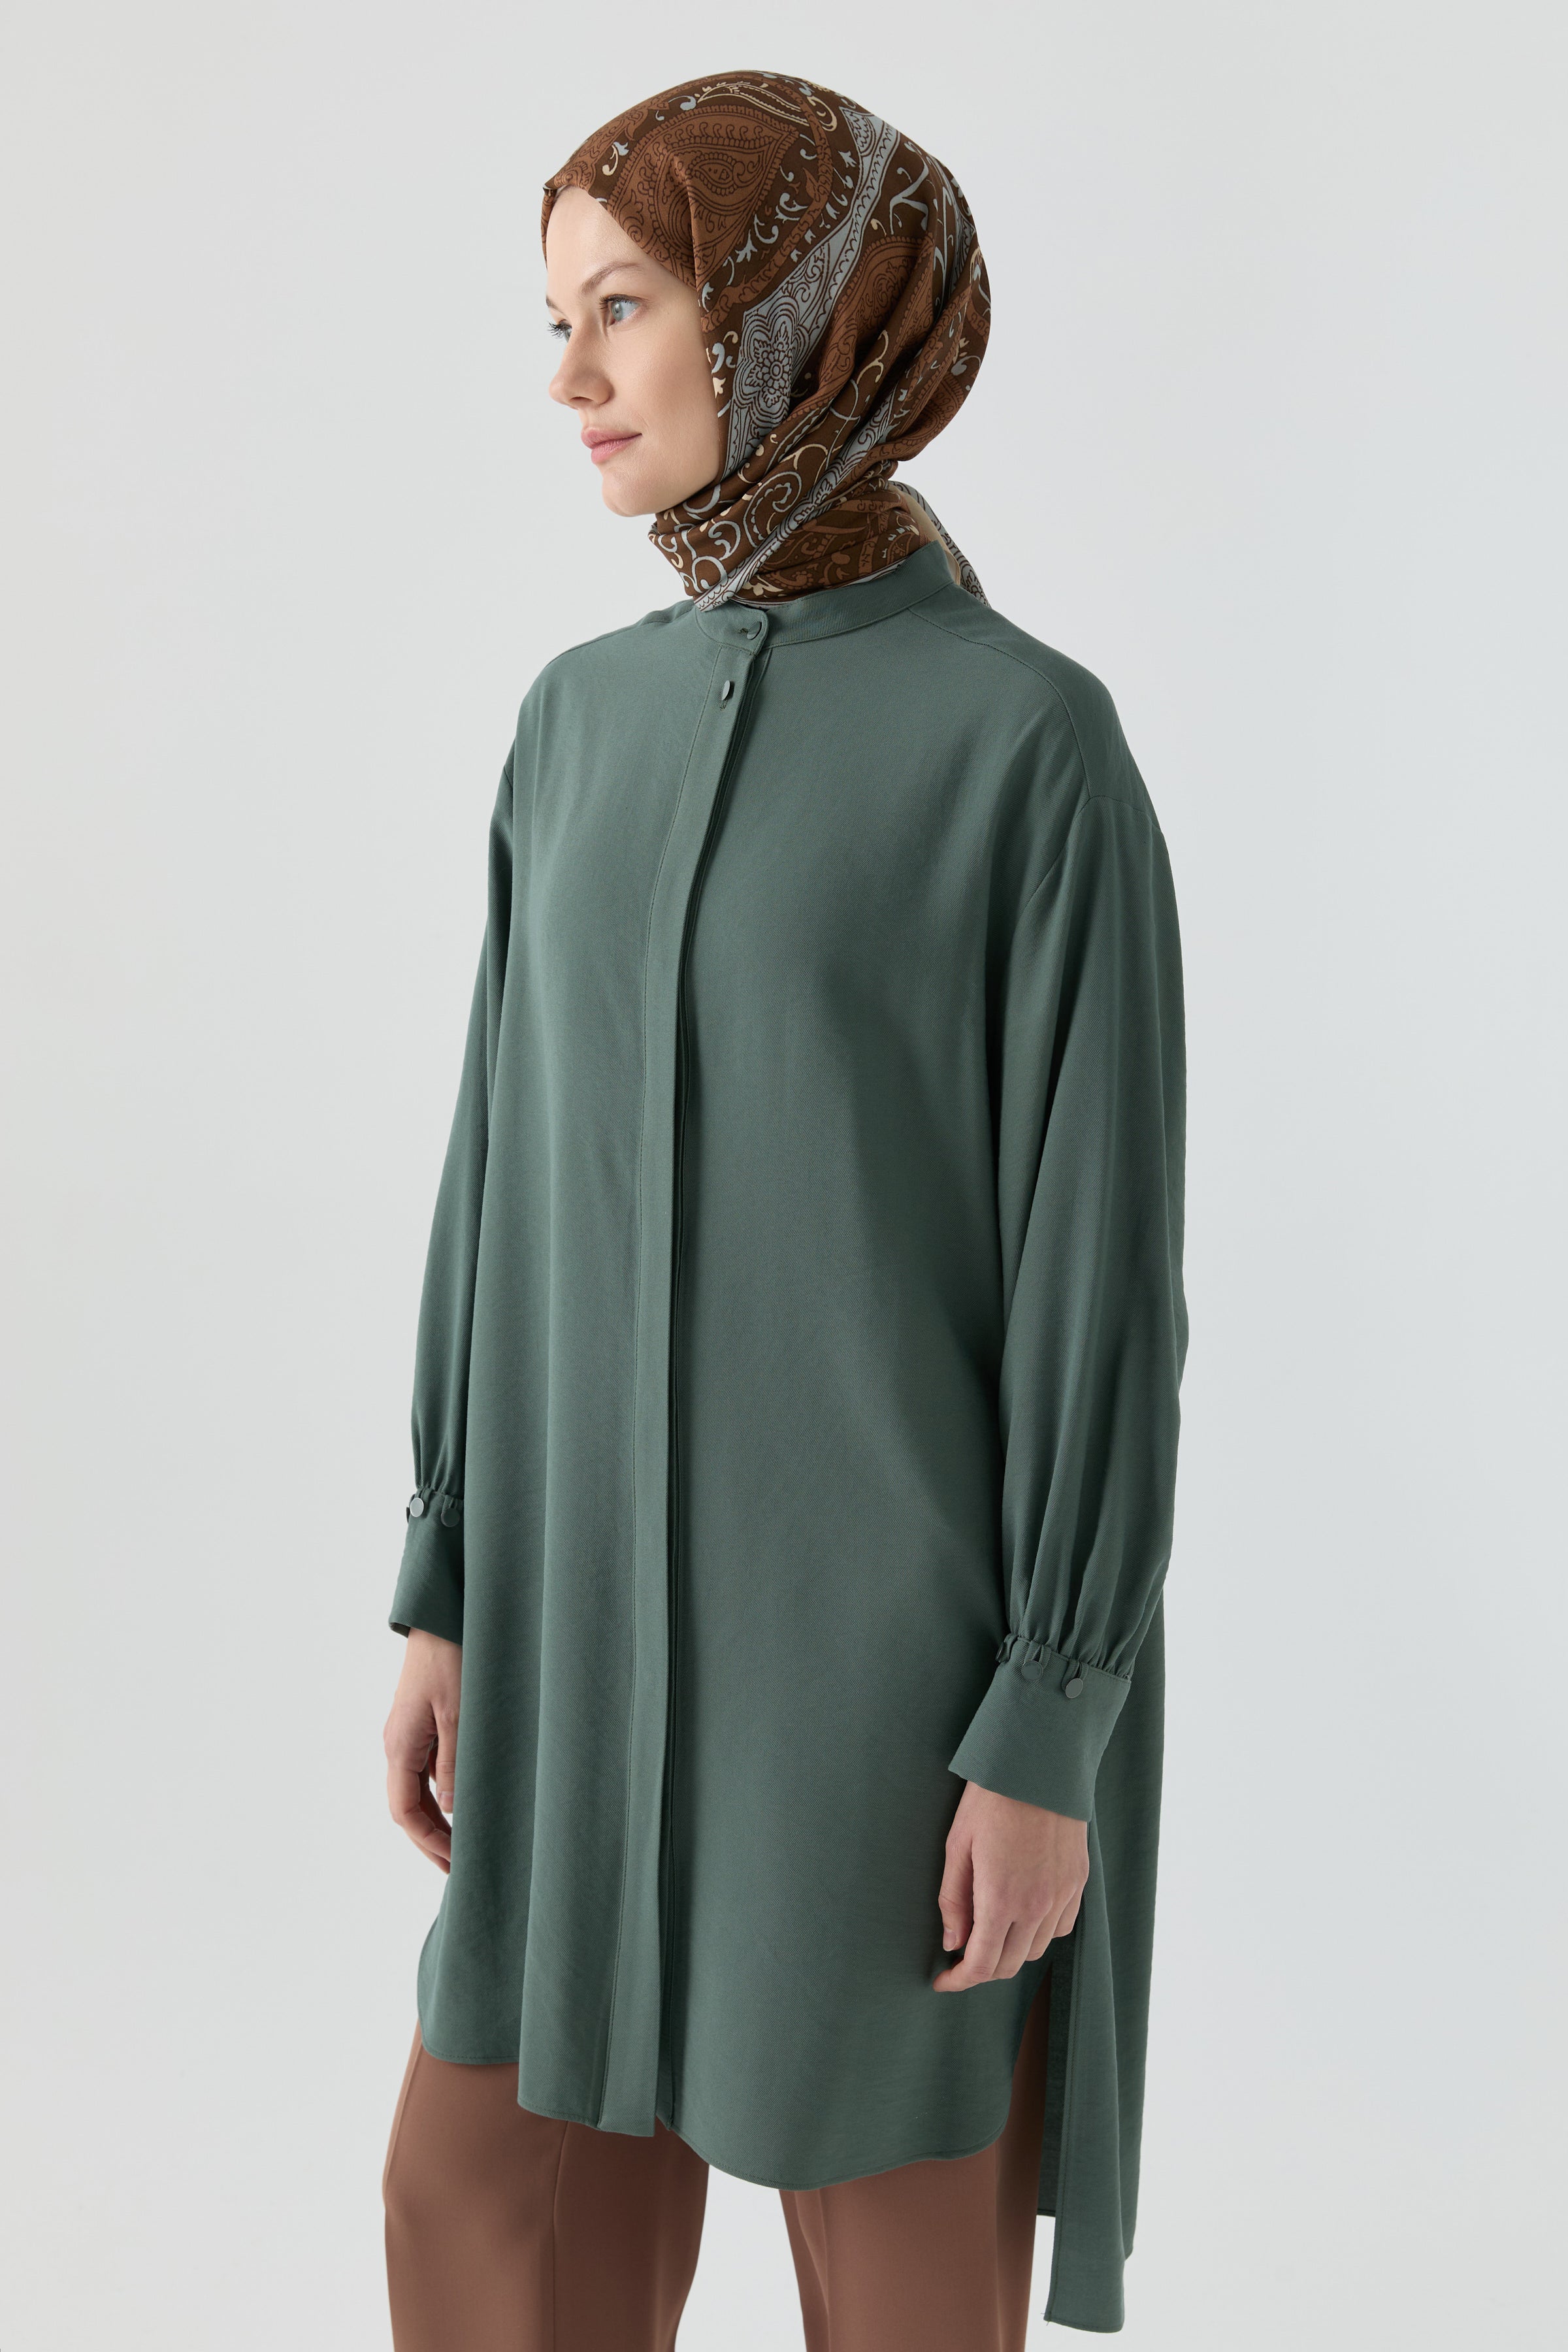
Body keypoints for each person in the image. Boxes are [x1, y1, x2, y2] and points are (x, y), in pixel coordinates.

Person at [378, 69, 1186, 2352]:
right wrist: (448, 1580)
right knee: (476, 2207)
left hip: (886, 1694)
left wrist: (1049, 1722)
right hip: (571, 1648)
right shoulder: (573, 726)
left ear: (802, 316)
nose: (570, 376)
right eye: (554, 317)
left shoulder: (1026, 748)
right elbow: (497, 1165)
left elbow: (1100, 1278)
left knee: (901, 2281)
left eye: (624, 307)